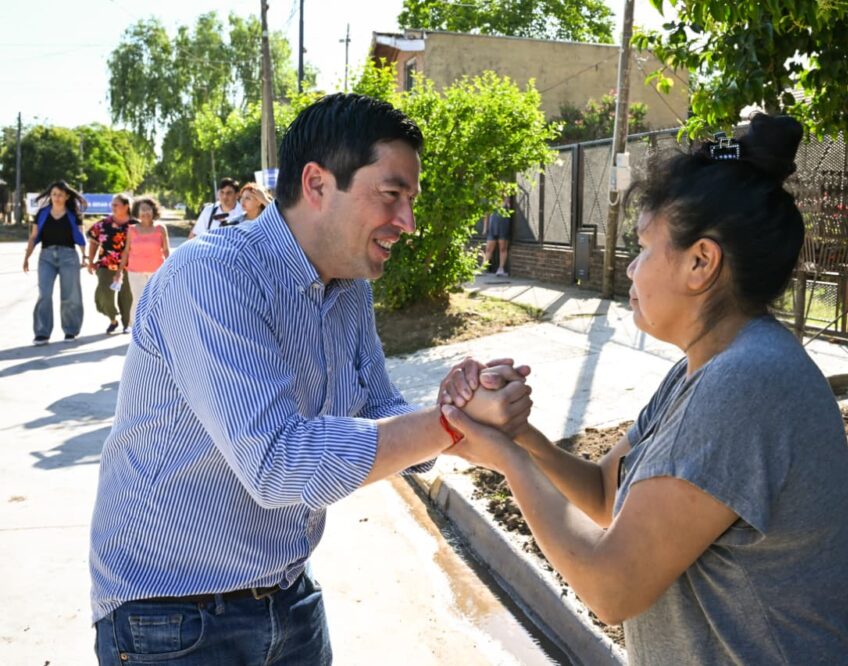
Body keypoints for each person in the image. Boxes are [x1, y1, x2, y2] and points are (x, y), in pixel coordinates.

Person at [90, 92, 532, 665]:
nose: (408, 222)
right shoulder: (213, 278)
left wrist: (459, 403)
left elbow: (390, 421)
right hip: (170, 620)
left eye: (411, 201)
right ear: (318, 184)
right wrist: (447, 426)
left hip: (290, 598)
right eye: (392, 195)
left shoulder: (347, 288)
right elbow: (277, 464)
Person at [441, 114, 848, 664]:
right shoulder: (704, 368)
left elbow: (612, 587)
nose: (631, 270)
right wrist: (524, 437)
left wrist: (507, 460)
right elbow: (608, 496)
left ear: (701, 262)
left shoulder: (746, 383)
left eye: (644, 248)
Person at [22, 180, 87, 344]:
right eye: (54, 194)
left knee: (70, 295)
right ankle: (42, 333)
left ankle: (70, 331)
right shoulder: (42, 213)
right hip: (46, 257)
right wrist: (27, 257)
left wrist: (85, 256)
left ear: (66, 196)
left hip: (69, 256)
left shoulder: (73, 214)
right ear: (50, 196)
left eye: (60, 195)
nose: (57, 198)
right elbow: (33, 237)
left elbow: (80, 236)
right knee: (44, 294)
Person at [118, 196, 170, 327]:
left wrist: (170, 269)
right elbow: (126, 251)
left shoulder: (160, 229)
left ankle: (156, 328)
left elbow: (166, 250)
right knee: (138, 300)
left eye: (148, 209)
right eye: (143, 209)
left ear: (154, 211)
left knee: (156, 301)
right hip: (135, 272)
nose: (146, 213)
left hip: (157, 272)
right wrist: (119, 271)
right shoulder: (132, 230)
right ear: (137, 212)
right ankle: (137, 329)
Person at [87, 193, 135, 334]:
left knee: (127, 296)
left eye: (116, 205)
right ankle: (113, 319)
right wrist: (90, 261)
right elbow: (94, 242)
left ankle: (127, 324)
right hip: (105, 264)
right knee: (103, 294)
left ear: (126, 207)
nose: (112, 207)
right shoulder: (103, 224)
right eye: (112, 204)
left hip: (129, 266)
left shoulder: (135, 225)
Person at [483, 195, 513, 276]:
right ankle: (483, 268)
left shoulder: (507, 201)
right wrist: (485, 228)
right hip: (492, 228)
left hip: (503, 227)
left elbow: (510, 210)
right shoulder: (492, 201)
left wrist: (506, 200)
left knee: (502, 248)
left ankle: (501, 269)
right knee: (488, 248)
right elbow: (486, 214)